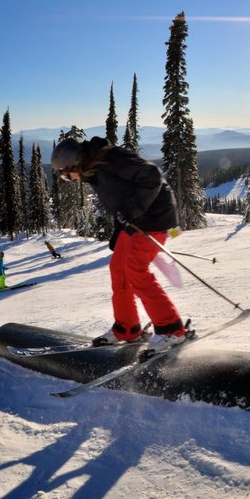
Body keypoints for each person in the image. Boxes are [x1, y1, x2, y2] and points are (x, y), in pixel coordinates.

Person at [51, 136, 186, 352]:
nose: (68, 179)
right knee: (118, 267)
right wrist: (119, 230)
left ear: (73, 163)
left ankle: (171, 329)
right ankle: (127, 328)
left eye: (66, 175)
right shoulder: (93, 171)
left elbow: (151, 175)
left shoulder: (111, 159)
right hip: (135, 220)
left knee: (135, 268)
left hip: (155, 217)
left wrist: (132, 210)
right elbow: (120, 200)